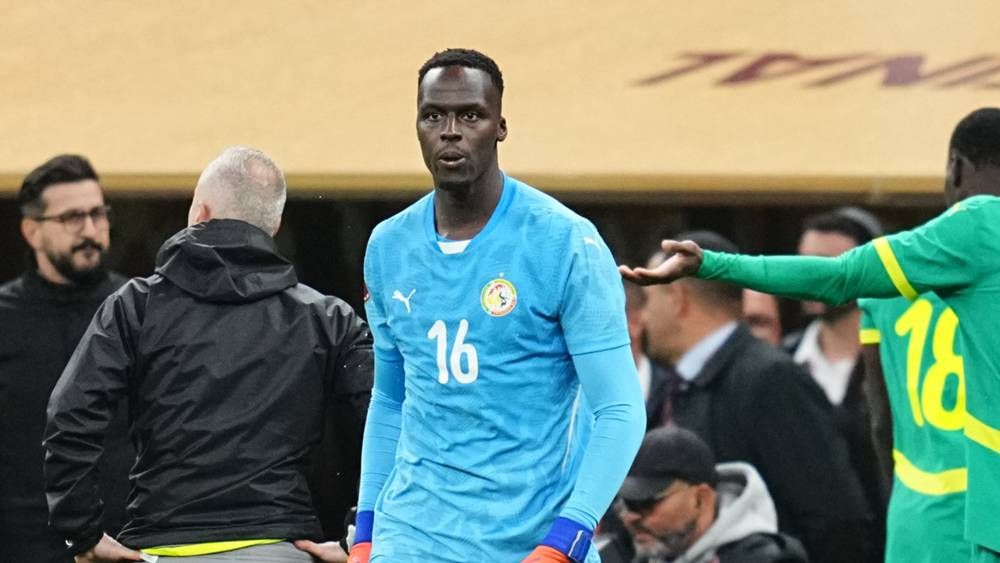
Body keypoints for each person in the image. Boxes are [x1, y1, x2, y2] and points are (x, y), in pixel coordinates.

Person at [619, 107, 1000, 561]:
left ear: (956, 169)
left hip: (942, 519)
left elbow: (840, 279)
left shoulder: (978, 230)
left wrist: (714, 264)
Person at [325, 48, 646, 563]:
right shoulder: (388, 246)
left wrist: (567, 539)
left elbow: (620, 409)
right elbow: (391, 399)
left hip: (531, 539)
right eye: (434, 116)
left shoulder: (565, 242)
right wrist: (366, 533)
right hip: (412, 536)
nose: (450, 131)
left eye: (470, 115)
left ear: (501, 127)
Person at [43, 146, 372, 562]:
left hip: (163, 548)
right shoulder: (329, 319)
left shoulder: (136, 307)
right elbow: (389, 423)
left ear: (199, 213)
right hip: (279, 547)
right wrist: (360, 535)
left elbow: (70, 415)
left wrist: (82, 532)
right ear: (274, 227)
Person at [640, 230, 872, 563]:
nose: (643, 317)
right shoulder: (676, 387)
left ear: (678, 297)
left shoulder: (769, 380)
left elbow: (836, 517)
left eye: (649, 300)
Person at [0, 155, 131, 563]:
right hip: (23, 544)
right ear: (32, 231)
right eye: (72, 218)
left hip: (126, 541)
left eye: (97, 214)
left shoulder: (140, 310)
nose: (90, 230)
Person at [783, 208, 889, 559]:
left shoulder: (894, 360)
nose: (809, 275)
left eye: (827, 263)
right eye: (803, 262)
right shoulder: (781, 362)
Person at [858, 294, 970, 562]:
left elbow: (881, 422)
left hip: (912, 517)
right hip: (982, 512)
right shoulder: (988, 272)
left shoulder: (878, 283)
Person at [610, 426, 807, 563]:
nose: (630, 517)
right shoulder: (636, 556)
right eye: (625, 505)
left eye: (645, 504)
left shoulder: (764, 558)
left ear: (701, 498)